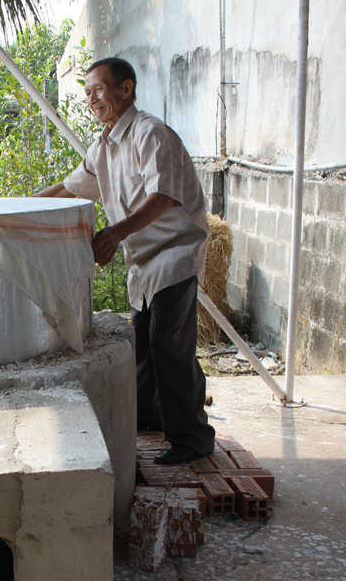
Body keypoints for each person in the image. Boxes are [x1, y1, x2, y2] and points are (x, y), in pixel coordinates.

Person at [36, 57, 215, 465]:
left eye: (98, 89)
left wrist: (116, 233)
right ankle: (151, 416)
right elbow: (70, 188)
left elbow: (164, 196)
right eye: (86, 92)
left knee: (169, 344)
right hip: (144, 261)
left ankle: (193, 438)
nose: (91, 99)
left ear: (126, 89)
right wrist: (16, 207)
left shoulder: (150, 134)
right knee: (147, 345)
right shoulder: (104, 146)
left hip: (175, 252)